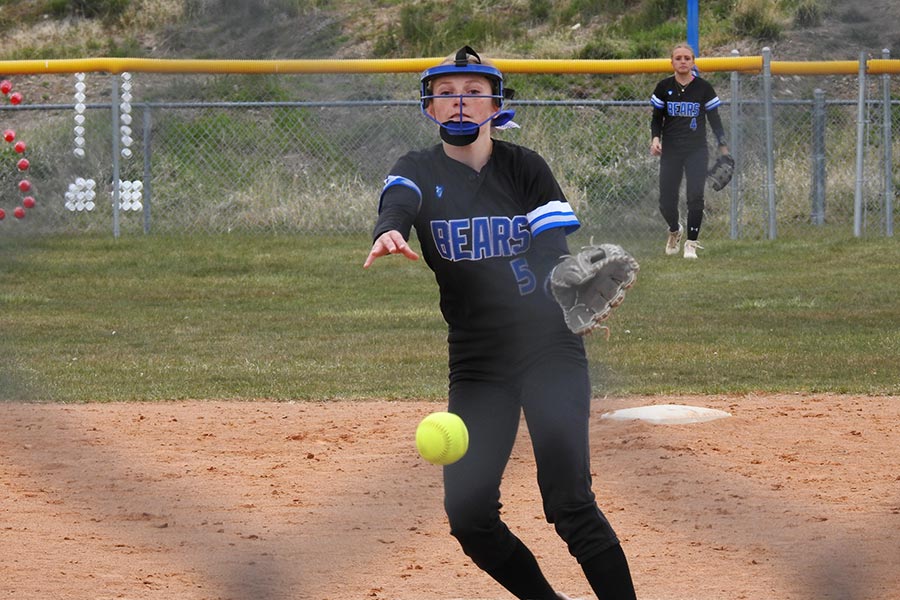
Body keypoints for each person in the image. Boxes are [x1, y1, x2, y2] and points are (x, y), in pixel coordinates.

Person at [363, 46, 637, 600]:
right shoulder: (417, 169)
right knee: (469, 516)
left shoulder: (525, 167)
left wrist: (563, 283)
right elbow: (399, 200)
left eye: (472, 92)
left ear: (495, 103)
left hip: (548, 350)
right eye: (446, 93)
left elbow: (552, 249)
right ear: (429, 107)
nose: (459, 104)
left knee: (568, 504)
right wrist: (389, 230)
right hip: (478, 362)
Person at [650, 42, 730, 259]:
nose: (683, 61)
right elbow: (657, 118)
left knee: (695, 196)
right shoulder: (663, 87)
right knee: (666, 201)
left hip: (696, 150)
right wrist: (655, 138)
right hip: (671, 151)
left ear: (693, 61)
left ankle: (691, 244)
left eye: (687, 58)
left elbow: (715, 120)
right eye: (678, 58)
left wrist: (723, 148)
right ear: (672, 62)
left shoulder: (703, 88)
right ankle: (675, 230)